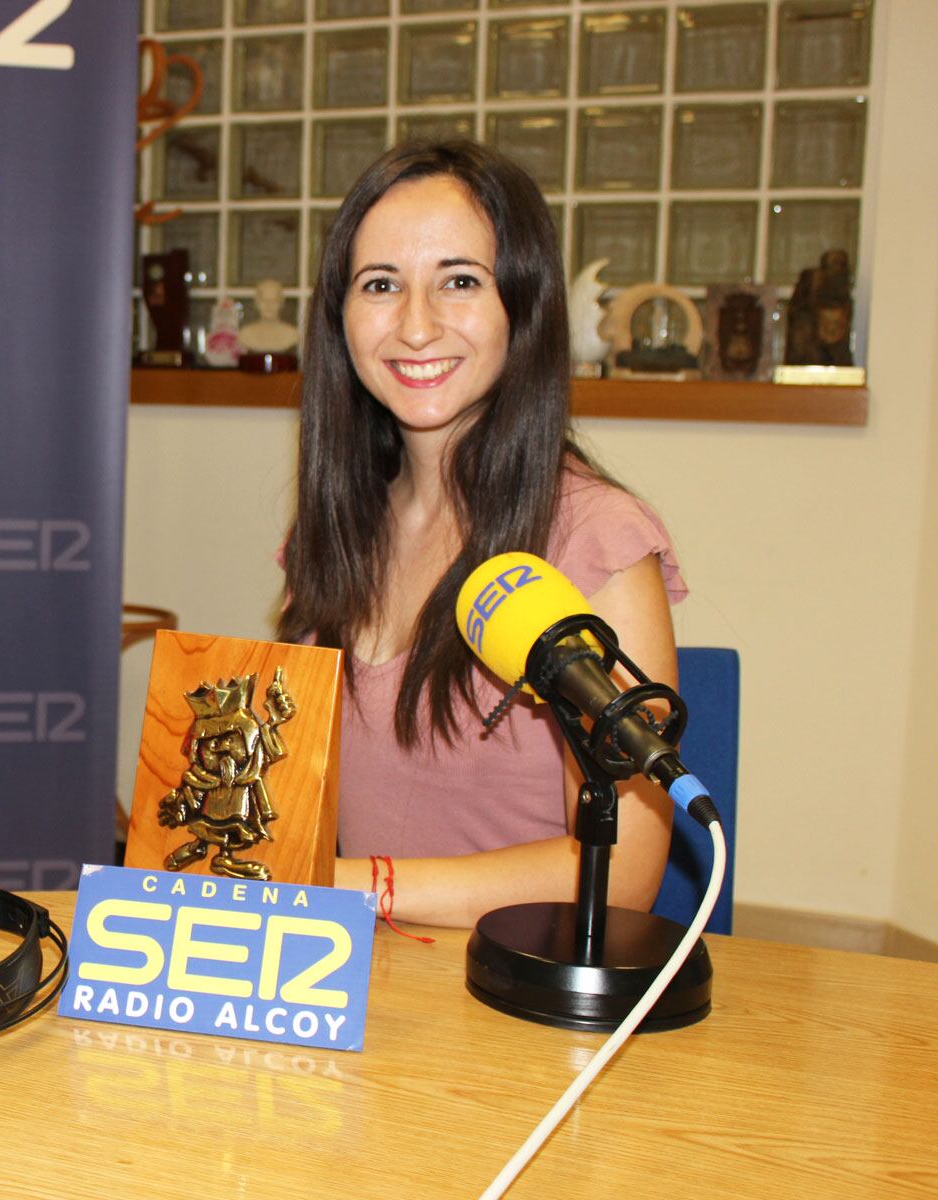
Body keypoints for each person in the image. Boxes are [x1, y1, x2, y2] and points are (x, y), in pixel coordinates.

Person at [279, 141, 686, 928]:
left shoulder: (594, 538)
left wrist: (343, 886)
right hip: (345, 986)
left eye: (460, 281)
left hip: (502, 1003)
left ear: (523, 308)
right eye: (381, 285)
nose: (416, 325)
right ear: (341, 317)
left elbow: (624, 873)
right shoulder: (333, 531)